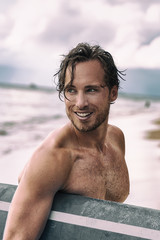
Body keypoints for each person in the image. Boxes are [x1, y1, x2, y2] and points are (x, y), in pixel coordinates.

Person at [3, 43, 130, 239]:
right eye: (71, 90)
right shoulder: (55, 157)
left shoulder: (116, 139)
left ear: (113, 93)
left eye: (91, 90)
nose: (80, 103)